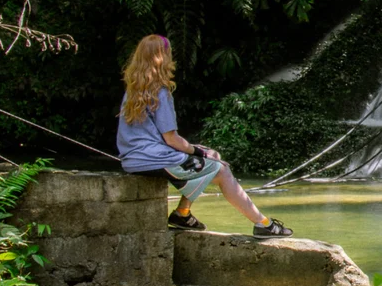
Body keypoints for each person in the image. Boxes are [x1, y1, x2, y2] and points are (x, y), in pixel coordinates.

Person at [116, 34, 292, 238]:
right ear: (163, 57)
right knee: (222, 169)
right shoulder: (160, 92)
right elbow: (171, 139)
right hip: (156, 159)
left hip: (133, 160)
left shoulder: (133, 91)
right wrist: (200, 151)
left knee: (211, 156)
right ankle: (263, 224)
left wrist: (202, 152)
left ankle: (182, 214)